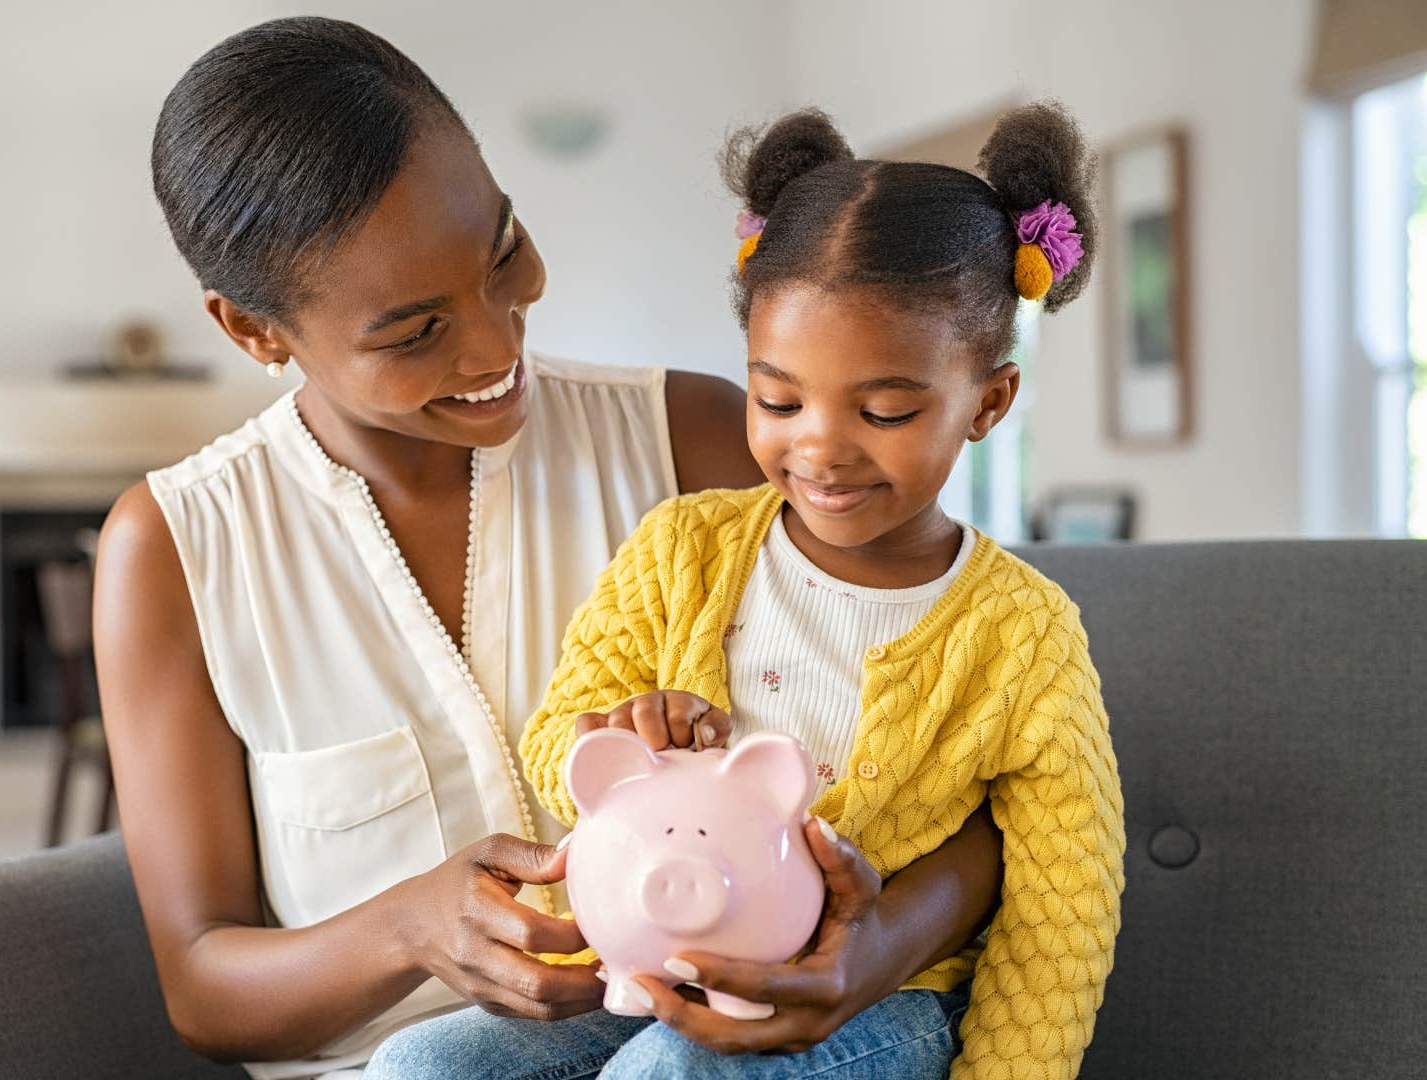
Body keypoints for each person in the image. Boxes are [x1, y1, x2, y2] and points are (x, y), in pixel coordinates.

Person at [94, 18, 1005, 1078]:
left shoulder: (699, 443)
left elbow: (983, 761)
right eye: (412, 330)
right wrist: (405, 929)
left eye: (503, 251)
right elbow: (205, 988)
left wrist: (877, 949)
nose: (496, 343)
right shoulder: (176, 550)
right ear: (255, 332)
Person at [371, 102, 1123, 1079]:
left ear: (988, 403)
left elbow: (1066, 904)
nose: (819, 445)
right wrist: (626, 730)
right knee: (421, 1066)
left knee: (665, 1077)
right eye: (778, 399)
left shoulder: (1024, 634)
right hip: (651, 960)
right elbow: (560, 741)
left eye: (885, 410)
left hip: (885, 1002)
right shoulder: (683, 548)